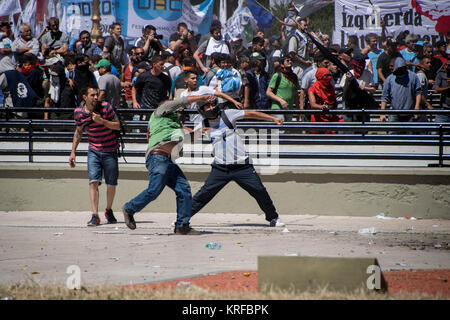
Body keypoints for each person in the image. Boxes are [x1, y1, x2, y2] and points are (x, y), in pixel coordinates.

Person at [122, 95, 215, 234]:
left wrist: (199, 132)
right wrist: (202, 97)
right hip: (158, 156)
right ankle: (129, 208)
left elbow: (186, 139)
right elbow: (180, 102)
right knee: (154, 190)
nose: (175, 108)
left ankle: (182, 226)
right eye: (171, 105)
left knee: (184, 190)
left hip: (169, 160)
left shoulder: (175, 124)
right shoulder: (160, 111)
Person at [189, 98, 285, 228]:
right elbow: (190, 138)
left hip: (242, 166)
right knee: (204, 194)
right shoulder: (203, 124)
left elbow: (251, 114)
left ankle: (273, 218)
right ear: (202, 110)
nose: (211, 107)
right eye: (207, 106)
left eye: (213, 104)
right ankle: (183, 218)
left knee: (259, 191)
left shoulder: (227, 114)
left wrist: (273, 118)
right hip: (221, 167)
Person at [69, 85, 120, 226]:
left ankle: (108, 210)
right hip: (94, 151)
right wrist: (73, 151)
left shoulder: (106, 108)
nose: (96, 98)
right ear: (85, 97)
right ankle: (94, 215)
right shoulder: (79, 112)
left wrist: (102, 121)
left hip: (110, 150)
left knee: (111, 184)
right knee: (93, 182)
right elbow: (78, 132)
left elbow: (118, 126)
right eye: (92, 95)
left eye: (97, 95)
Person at [380, 58, 422, 131]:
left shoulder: (413, 77)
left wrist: (417, 107)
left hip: (410, 112)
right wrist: (382, 113)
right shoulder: (390, 79)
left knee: (410, 137)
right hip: (394, 112)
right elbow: (385, 96)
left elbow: (418, 92)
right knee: (392, 135)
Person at [266, 56, 299, 122]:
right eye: (287, 60)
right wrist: (280, 100)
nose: (290, 62)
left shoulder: (294, 77)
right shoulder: (277, 75)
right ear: (282, 64)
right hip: (277, 108)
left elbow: (295, 93)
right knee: (281, 129)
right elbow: (268, 92)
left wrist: (298, 109)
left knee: (288, 129)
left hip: (289, 108)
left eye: (291, 60)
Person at [308, 68, 340, 134]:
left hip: (330, 117)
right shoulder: (312, 89)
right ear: (320, 76)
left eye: (329, 75)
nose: (328, 77)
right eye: (326, 75)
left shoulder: (331, 88)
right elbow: (313, 105)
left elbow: (333, 102)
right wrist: (323, 107)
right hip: (317, 118)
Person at [433, 59, 450, 123]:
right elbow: (436, 89)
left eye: (449, 65)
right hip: (443, 108)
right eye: (446, 65)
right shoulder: (441, 74)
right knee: (436, 131)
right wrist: (448, 88)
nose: (447, 67)